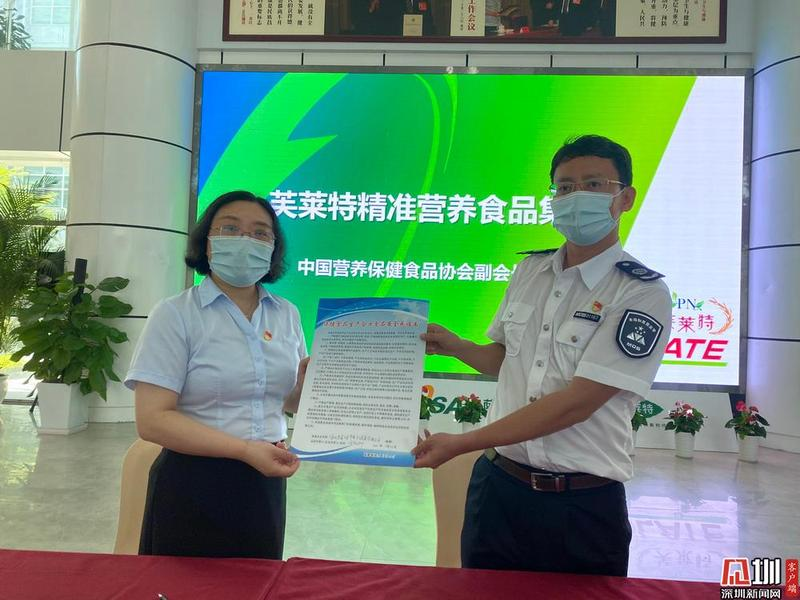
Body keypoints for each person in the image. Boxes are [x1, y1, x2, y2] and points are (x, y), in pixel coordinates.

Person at [413, 135, 672, 576]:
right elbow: (507, 360)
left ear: (625, 198)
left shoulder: (640, 292)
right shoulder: (530, 271)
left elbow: (577, 402)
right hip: (498, 489)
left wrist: (463, 443)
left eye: (594, 184)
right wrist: (457, 347)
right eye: (564, 187)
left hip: (582, 504)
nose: (576, 197)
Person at [125, 190, 309, 559]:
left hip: (266, 480)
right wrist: (244, 450)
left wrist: (307, 382)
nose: (246, 240)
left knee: (255, 583)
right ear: (207, 243)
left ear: (273, 249)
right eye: (230, 228)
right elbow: (152, 420)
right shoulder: (176, 314)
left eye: (260, 233)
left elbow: (287, 403)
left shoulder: (286, 314)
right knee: (183, 585)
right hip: (192, 480)